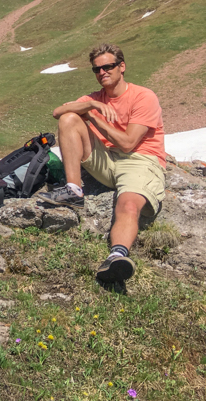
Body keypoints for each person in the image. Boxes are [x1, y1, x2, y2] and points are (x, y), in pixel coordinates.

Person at [37, 43, 165, 284]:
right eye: (97, 69)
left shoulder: (143, 97)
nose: (102, 72)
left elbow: (128, 144)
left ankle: (117, 256)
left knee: (127, 205)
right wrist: (93, 105)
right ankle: (74, 190)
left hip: (139, 160)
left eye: (108, 67)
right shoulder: (95, 98)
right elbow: (58, 112)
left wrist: (95, 118)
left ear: (122, 67)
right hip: (106, 160)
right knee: (69, 118)